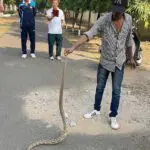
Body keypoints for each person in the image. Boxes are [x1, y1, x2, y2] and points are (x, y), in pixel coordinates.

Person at [64, 0, 136, 130]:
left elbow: (129, 40)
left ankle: (113, 115)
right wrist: (74, 46)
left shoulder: (129, 20)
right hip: (105, 62)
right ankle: (96, 109)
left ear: (125, 9)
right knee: (100, 87)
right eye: (114, 9)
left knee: (116, 91)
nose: (115, 13)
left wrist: (131, 58)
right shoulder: (104, 19)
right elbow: (90, 33)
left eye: (118, 11)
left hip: (119, 62)